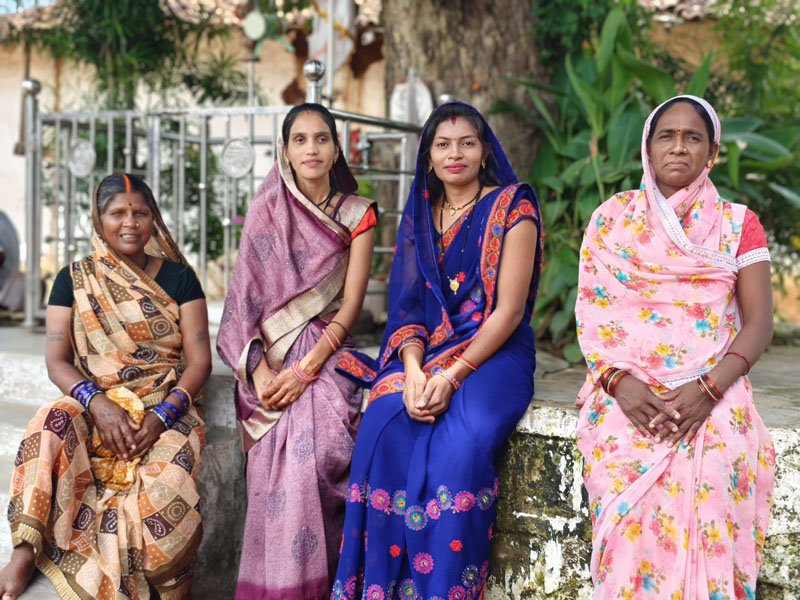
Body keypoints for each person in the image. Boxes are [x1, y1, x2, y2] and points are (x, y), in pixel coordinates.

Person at [332, 102, 542, 598]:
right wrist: (411, 371)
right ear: (427, 157)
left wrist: (450, 376)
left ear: (484, 150)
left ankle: (443, 589)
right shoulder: (421, 219)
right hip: (428, 353)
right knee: (382, 425)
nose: (456, 154)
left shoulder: (514, 206)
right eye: (443, 144)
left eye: (467, 142)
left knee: (460, 448)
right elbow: (407, 310)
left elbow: (508, 311)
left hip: (496, 351)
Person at [575, 95, 776, 599]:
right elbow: (595, 314)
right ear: (648, 147)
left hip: (713, 381)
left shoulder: (737, 223)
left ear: (712, 152)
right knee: (621, 470)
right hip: (626, 385)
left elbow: (759, 324)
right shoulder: (611, 219)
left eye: (693, 138)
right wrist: (620, 385)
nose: (679, 147)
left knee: (713, 471)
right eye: (667, 135)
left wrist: (709, 388)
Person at [0, 173, 211, 600]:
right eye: (117, 212)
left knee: (166, 493)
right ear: (99, 220)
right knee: (49, 420)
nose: (129, 222)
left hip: (164, 404)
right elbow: (56, 361)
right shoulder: (73, 279)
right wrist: (96, 403)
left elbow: (200, 361)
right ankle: (24, 551)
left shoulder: (180, 279)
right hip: (96, 400)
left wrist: (161, 416)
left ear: (154, 220)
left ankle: (162, 586)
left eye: (140, 212)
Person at [216, 103, 377, 599]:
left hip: (327, 352)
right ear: (284, 150)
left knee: (319, 445)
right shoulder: (267, 209)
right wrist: (262, 376)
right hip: (271, 358)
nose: (312, 148)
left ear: (335, 150)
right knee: (278, 446)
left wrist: (307, 369)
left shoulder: (359, 214)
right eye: (300, 139)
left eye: (322, 138)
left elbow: (350, 304)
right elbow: (242, 301)